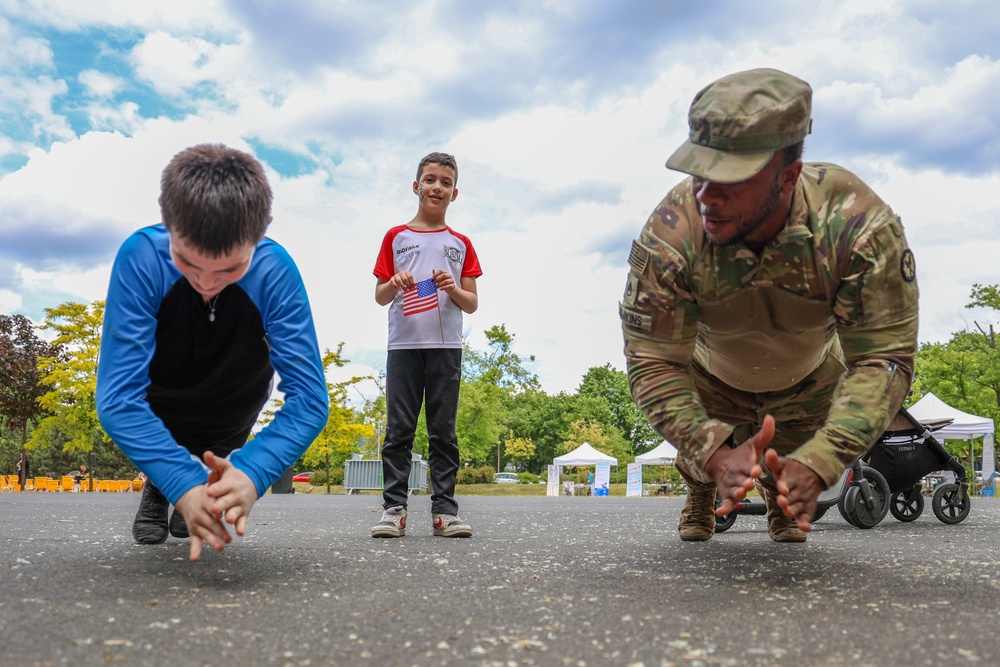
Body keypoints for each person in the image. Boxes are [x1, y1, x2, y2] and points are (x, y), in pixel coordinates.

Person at [620, 68, 919, 543]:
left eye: (731, 181)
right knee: (701, 456)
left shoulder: (857, 225)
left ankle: (780, 495)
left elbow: (883, 359)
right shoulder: (672, 233)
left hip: (809, 379)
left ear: (789, 176)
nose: (706, 196)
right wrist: (714, 456)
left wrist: (820, 463)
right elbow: (653, 360)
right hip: (710, 374)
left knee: (793, 459)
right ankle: (700, 492)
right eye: (699, 171)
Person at [96, 143, 329, 561]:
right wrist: (179, 481)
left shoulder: (276, 272)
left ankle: (206, 473)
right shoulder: (141, 257)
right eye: (187, 262)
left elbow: (310, 400)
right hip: (160, 389)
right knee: (177, 473)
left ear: (262, 229)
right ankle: (163, 482)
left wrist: (251, 471)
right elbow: (117, 398)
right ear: (167, 220)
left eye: (229, 269)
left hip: (233, 396)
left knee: (212, 455)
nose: (206, 282)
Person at [370, 152, 482, 538]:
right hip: (403, 346)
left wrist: (451, 286)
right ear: (416, 186)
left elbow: (472, 302)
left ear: (455, 193)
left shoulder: (461, 243)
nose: (437, 187)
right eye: (430, 180)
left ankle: (444, 512)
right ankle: (393, 509)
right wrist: (395, 283)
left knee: (443, 431)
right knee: (399, 430)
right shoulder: (396, 237)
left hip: (446, 346)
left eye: (445, 182)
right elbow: (380, 296)